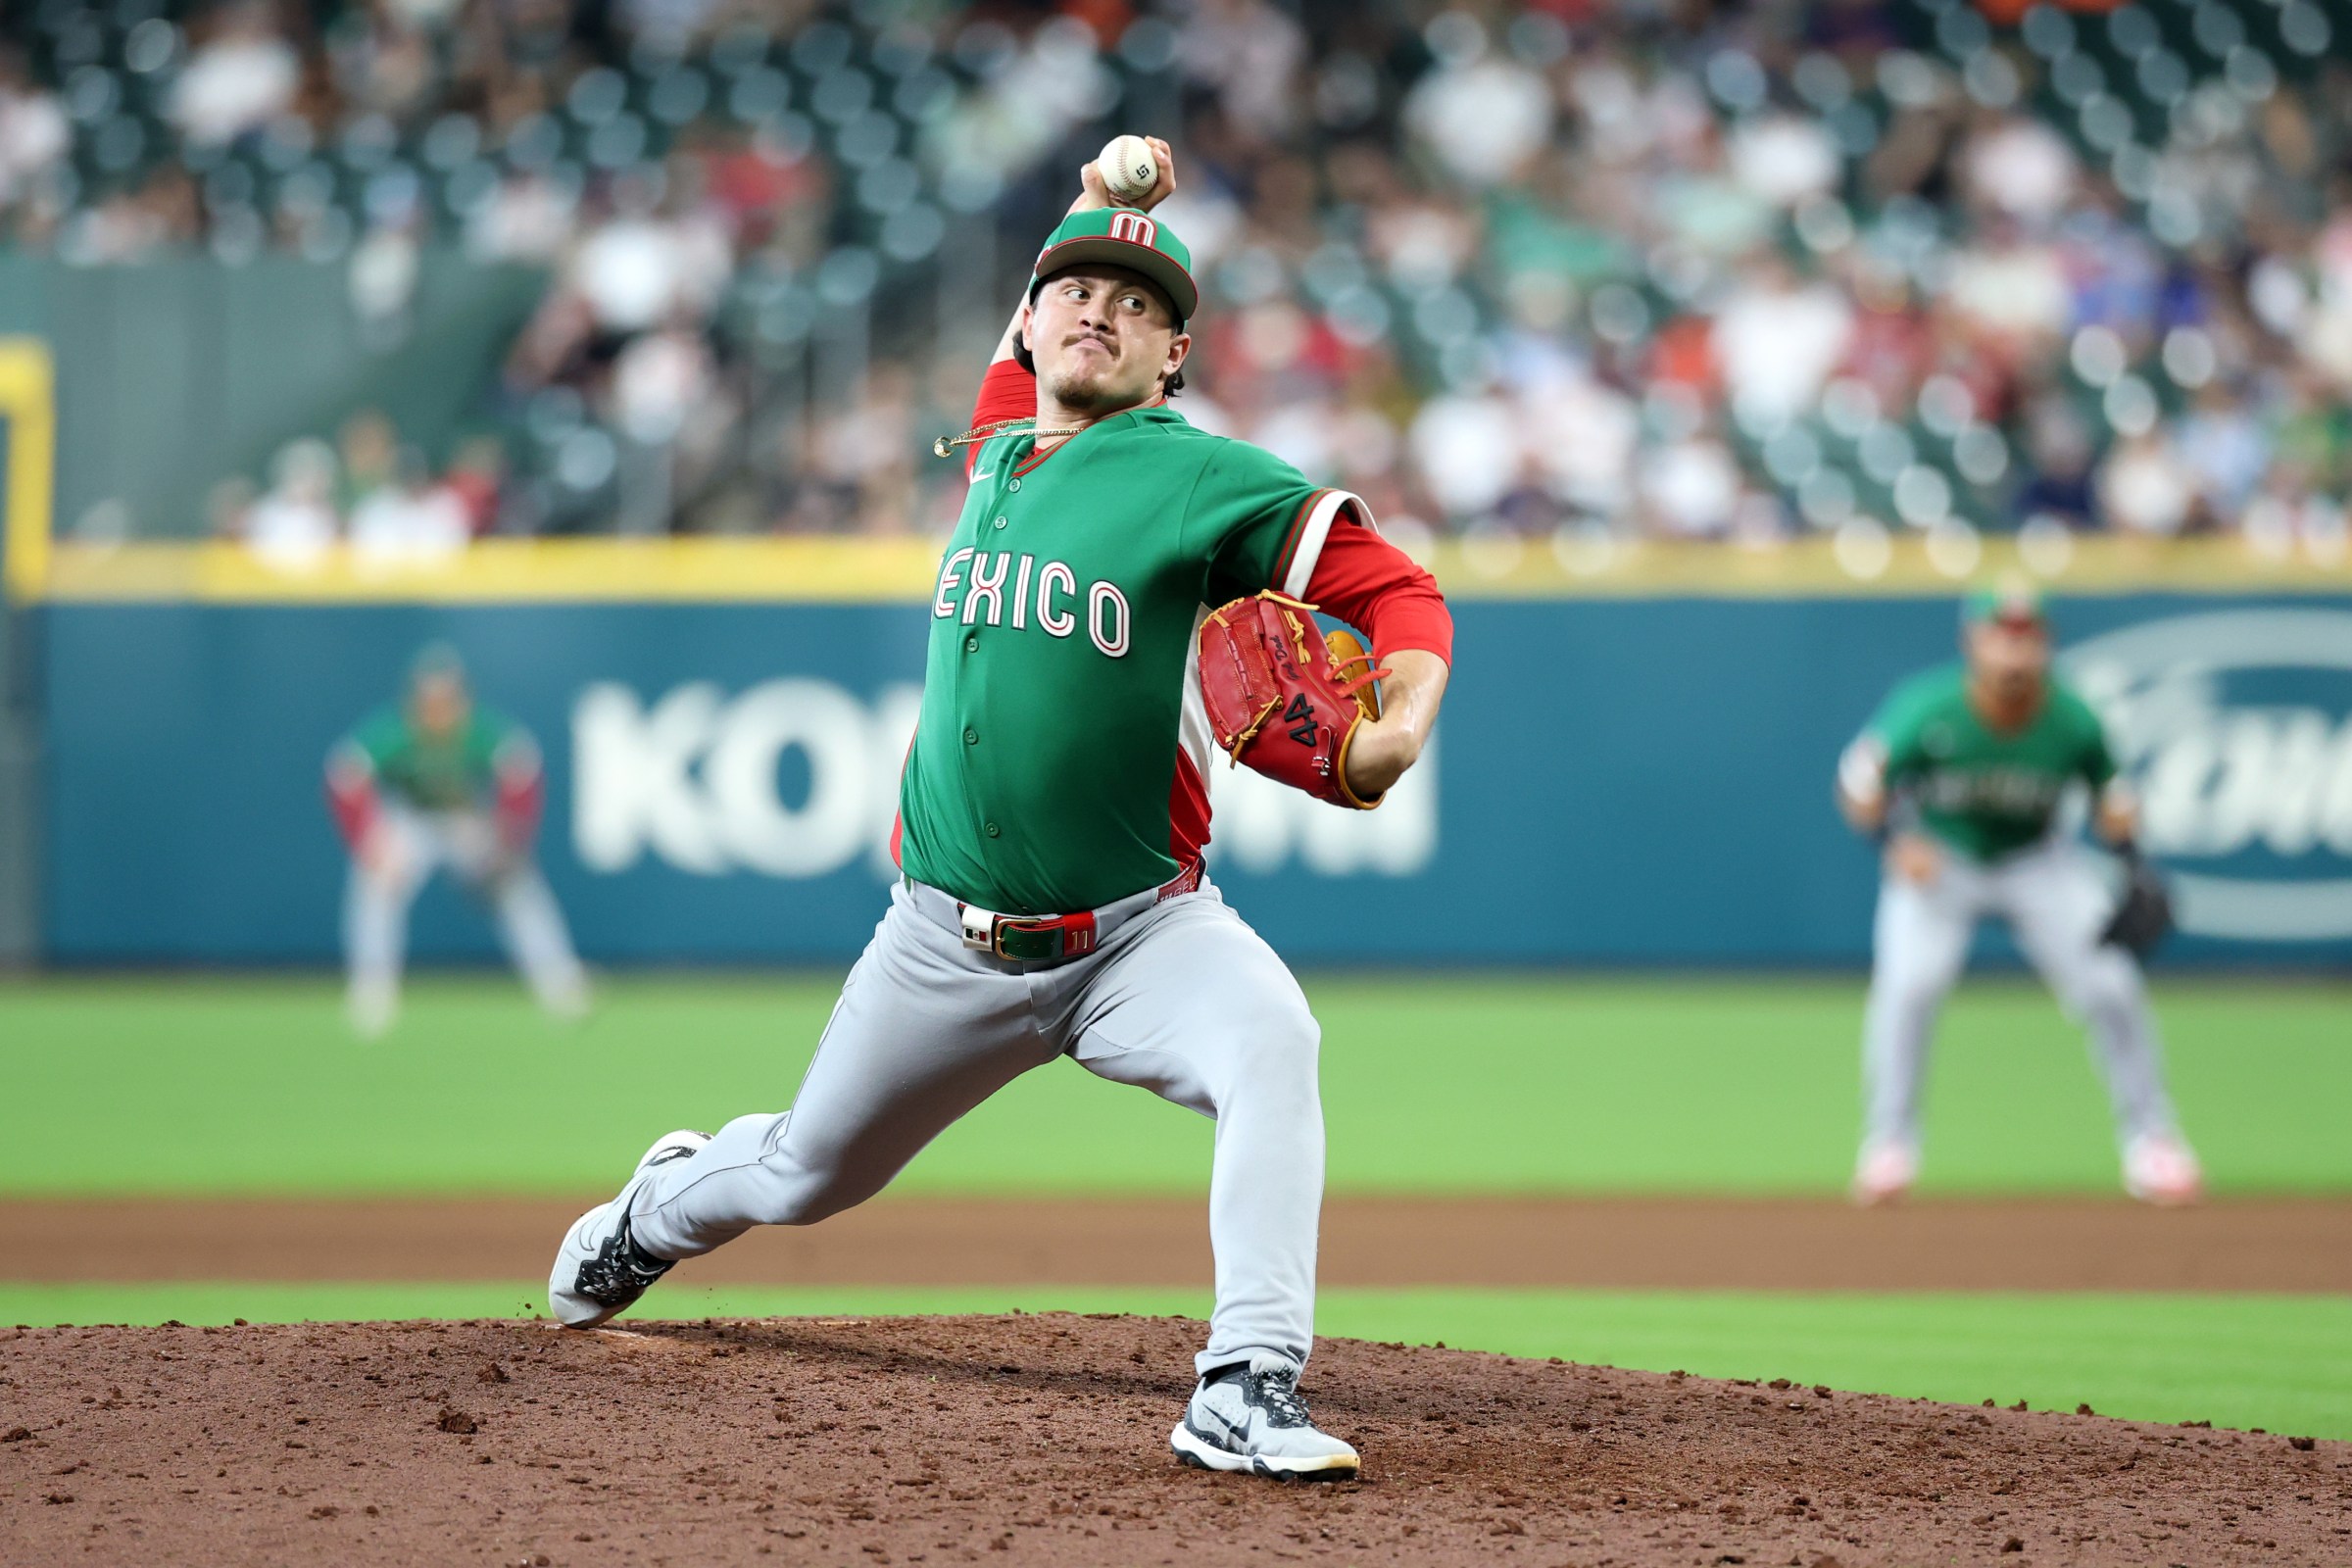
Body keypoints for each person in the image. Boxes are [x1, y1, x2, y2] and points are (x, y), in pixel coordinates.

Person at [547, 137, 1454, 1482]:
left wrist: (1399, 728)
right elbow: (1059, 294)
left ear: (1173, 362)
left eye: (1138, 304)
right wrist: (1108, 197)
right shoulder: (995, 441)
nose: (1100, 308)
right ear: (1028, 323)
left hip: (1141, 935)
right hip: (940, 945)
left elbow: (1400, 594)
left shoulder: (1195, 475)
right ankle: (658, 1208)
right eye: (1075, 291)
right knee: (808, 1174)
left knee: (1273, 1037)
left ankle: (1245, 1381)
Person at [1834, 581, 2201, 1206]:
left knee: (2112, 987)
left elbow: (2112, 798)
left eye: (2026, 636)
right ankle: (1888, 1146)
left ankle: (2153, 1142)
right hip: (1941, 863)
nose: (2013, 650)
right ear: (1971, 642)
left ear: (2047, 645)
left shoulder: (2072, 717)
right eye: (2001, 635)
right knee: (1909, 988)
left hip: (2038, 863)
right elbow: (1858, 783)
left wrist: (2133, 865)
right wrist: (1894, 842)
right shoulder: (1927, 707)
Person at [325, 645, 588, 1037]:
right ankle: (372, 991)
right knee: (374, 882)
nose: (438, 708)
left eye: (446, 698)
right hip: (411, 820)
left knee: (516, 883)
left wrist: (510, 835)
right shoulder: (396, 729)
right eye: (429, 698)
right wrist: (368, 839)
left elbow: (523, 767)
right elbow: (343, 773)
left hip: (466, 820)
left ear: (462, 698)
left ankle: (560, 984)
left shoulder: (479, 728)